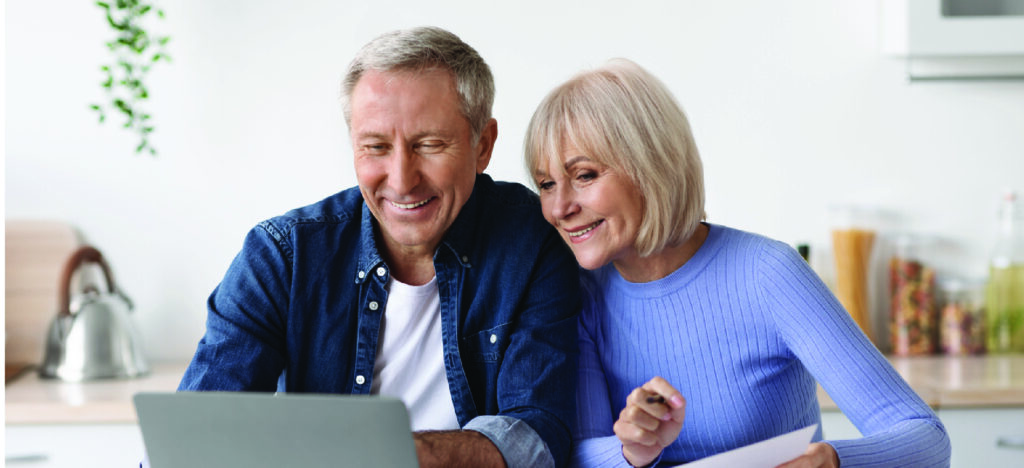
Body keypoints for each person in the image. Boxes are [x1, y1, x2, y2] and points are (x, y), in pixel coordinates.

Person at [177, 27, 580, 468]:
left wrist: (392, 452)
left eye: (428, 145)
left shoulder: (533, 239)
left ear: (481, 145)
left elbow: (538, 431)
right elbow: (195, 432)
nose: (402, 179)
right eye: (376, 148)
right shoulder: (282, 255)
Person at [524, 58, 951, 467]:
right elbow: (572, 454)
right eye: (546, 184)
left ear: (650, 164)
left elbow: (926, 440)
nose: (559, 208)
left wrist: (836, 460)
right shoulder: (576, 293)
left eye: (584, 176)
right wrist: (633, 450)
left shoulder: (767, 274)